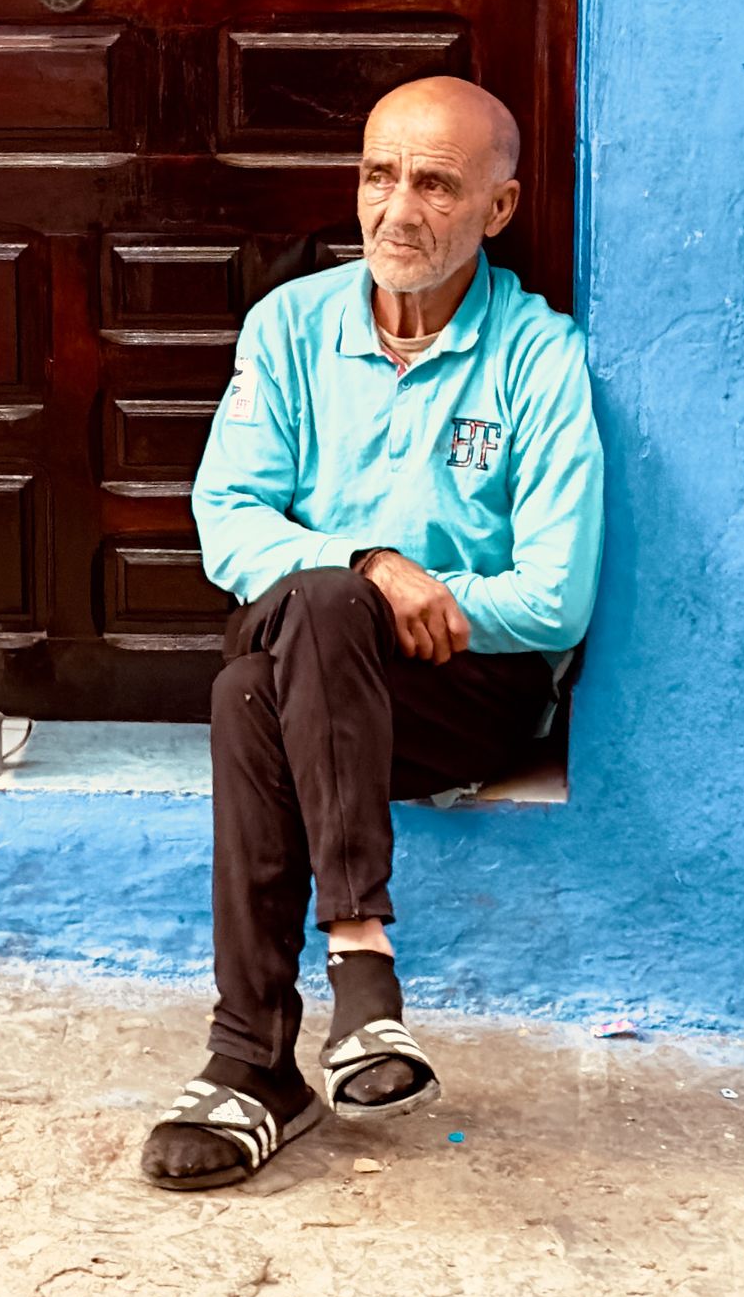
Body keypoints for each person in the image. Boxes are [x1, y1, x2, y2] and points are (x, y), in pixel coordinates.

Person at [139, 74, 605, 1191]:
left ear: (498, 209)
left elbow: (556, 599)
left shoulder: (540, 358)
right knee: (314, 616)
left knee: (257, 682)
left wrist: (418, 600)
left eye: (437, 184)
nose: (398, 209)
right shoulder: (289, 327)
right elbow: (226, 518)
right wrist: (372, 565)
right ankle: (348, 995)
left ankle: (257, 1061)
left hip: (458, 696)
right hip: (317, 668)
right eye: (377, 175)